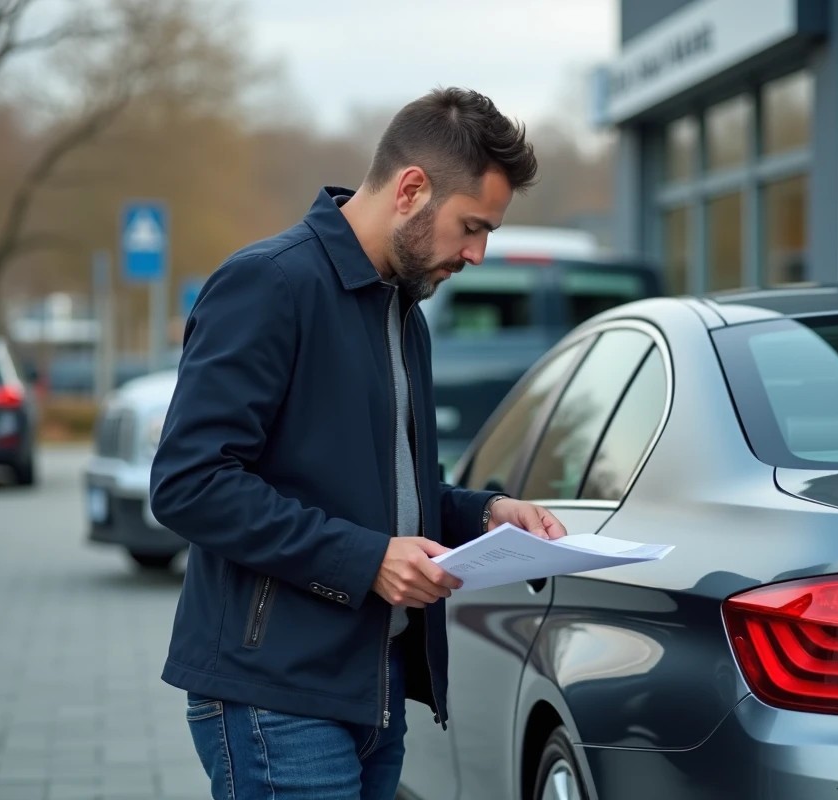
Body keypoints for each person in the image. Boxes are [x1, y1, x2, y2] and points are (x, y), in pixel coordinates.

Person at [148, 87, 568, 800]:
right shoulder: (270, 284)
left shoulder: (404, 313)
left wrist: (484, 514)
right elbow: (189, 484)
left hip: (374, 690)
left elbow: (385, 491)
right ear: (411, 189)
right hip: (275, 695)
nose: (477, 253)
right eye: (471, 227)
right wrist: (366, 560)